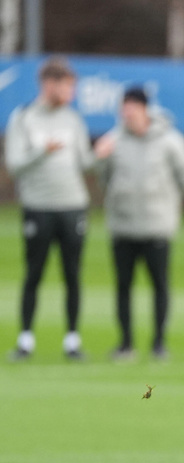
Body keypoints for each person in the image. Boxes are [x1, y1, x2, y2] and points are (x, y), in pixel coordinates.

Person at [94, 87, 184, 361]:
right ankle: (126, 343)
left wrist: (165, 202)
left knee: (160, 285)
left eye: (132, 108)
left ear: (144, 109)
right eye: (123, 109)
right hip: (123, 226)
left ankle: (159, 343)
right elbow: (103, 175)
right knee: (123, 287)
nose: (127, 114)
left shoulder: (170, 141)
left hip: (156, 225)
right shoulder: (113, 140)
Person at [5, 56, 94, 361]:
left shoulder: (73, 120)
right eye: (67, 85)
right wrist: (42, 152)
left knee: (72, 274)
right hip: (39, 207)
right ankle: (26, 339)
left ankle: (72, 340)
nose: (71, 92)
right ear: (48, 84)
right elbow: (14, 165)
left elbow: (85, 162)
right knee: (34, 274)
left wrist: (104, 155)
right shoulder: (24, 117)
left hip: (73, 207)